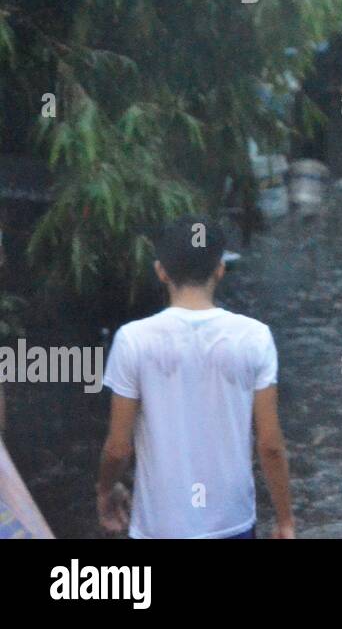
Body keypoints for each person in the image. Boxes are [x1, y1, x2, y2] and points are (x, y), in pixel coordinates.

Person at [97, 217, 294, 539]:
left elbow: (119, 448)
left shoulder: (133, 339)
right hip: (232, 523)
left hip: (158, 528)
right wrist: (285, 521)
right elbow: (270, 444)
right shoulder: (255, 337)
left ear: (161, 271)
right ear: (220, 270)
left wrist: (105, 492)